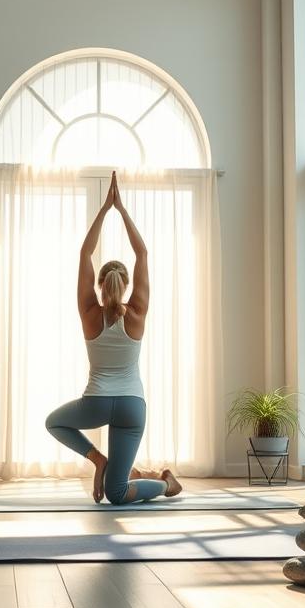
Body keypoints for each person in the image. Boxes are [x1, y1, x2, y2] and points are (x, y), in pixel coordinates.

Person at [45, 171, 183, 505]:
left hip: (95, 404)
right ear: (124, 284)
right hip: (132, 407)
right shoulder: (137, 312)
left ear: (101, 283)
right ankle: (167, 484)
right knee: (116, 494)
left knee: (54, 422)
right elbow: (143, 254)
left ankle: (98, 459)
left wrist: (105, 210)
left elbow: (84, 254)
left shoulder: (89, 311)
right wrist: (122, 210)